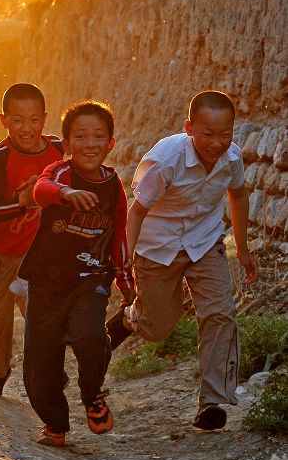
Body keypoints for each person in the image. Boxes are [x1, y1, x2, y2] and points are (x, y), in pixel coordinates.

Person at [106, 90, 258, 431]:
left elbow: (238, 193)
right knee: (158, 326)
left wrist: (243, 249)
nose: (217, 143)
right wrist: (125, 256)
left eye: (225, 134)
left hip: (205, 242)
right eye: (207, 133)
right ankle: (127, 321)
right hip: (158, 246)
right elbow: (138, 210)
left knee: (220, 313)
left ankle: (213, 403)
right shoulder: (166, 160)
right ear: (190, 128)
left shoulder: (231, 158)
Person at [17, 100, 134, 448]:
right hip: (47, 281)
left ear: (110, 143)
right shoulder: (60, 173)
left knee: (90, 335)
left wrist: (127, 285)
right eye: (81, 136)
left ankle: (92, 394)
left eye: (99, 136)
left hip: (92, 278)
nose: (90, 143)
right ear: (67, 145)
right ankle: (55, 423)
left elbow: (120, 236)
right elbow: (40, 190)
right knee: (40, 361)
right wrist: (65, 194)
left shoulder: (114, 187)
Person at [0, 83, 64, 397]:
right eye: (17, 120)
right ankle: (0, 370)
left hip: (40, 256)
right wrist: (25, 200)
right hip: (1, 253)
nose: (26, 128)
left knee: (42, 317)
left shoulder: (58, 150)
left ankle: (46, 373)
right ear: (4, 121)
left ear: (44, 118)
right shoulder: (1, 156)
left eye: (33, 120)